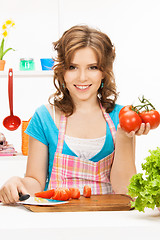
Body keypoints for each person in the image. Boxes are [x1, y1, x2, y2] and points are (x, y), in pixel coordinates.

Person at [0, 25, 150, 204]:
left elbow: (124, 190)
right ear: (62, 71)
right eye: (73, 67)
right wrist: (17, 182)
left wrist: (125, 136)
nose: (82, 77)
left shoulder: (122, 116)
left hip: (108, 221)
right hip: (57, 222)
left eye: (92, 67)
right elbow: (35, 183)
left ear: (104, 72)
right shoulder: (44, 117)